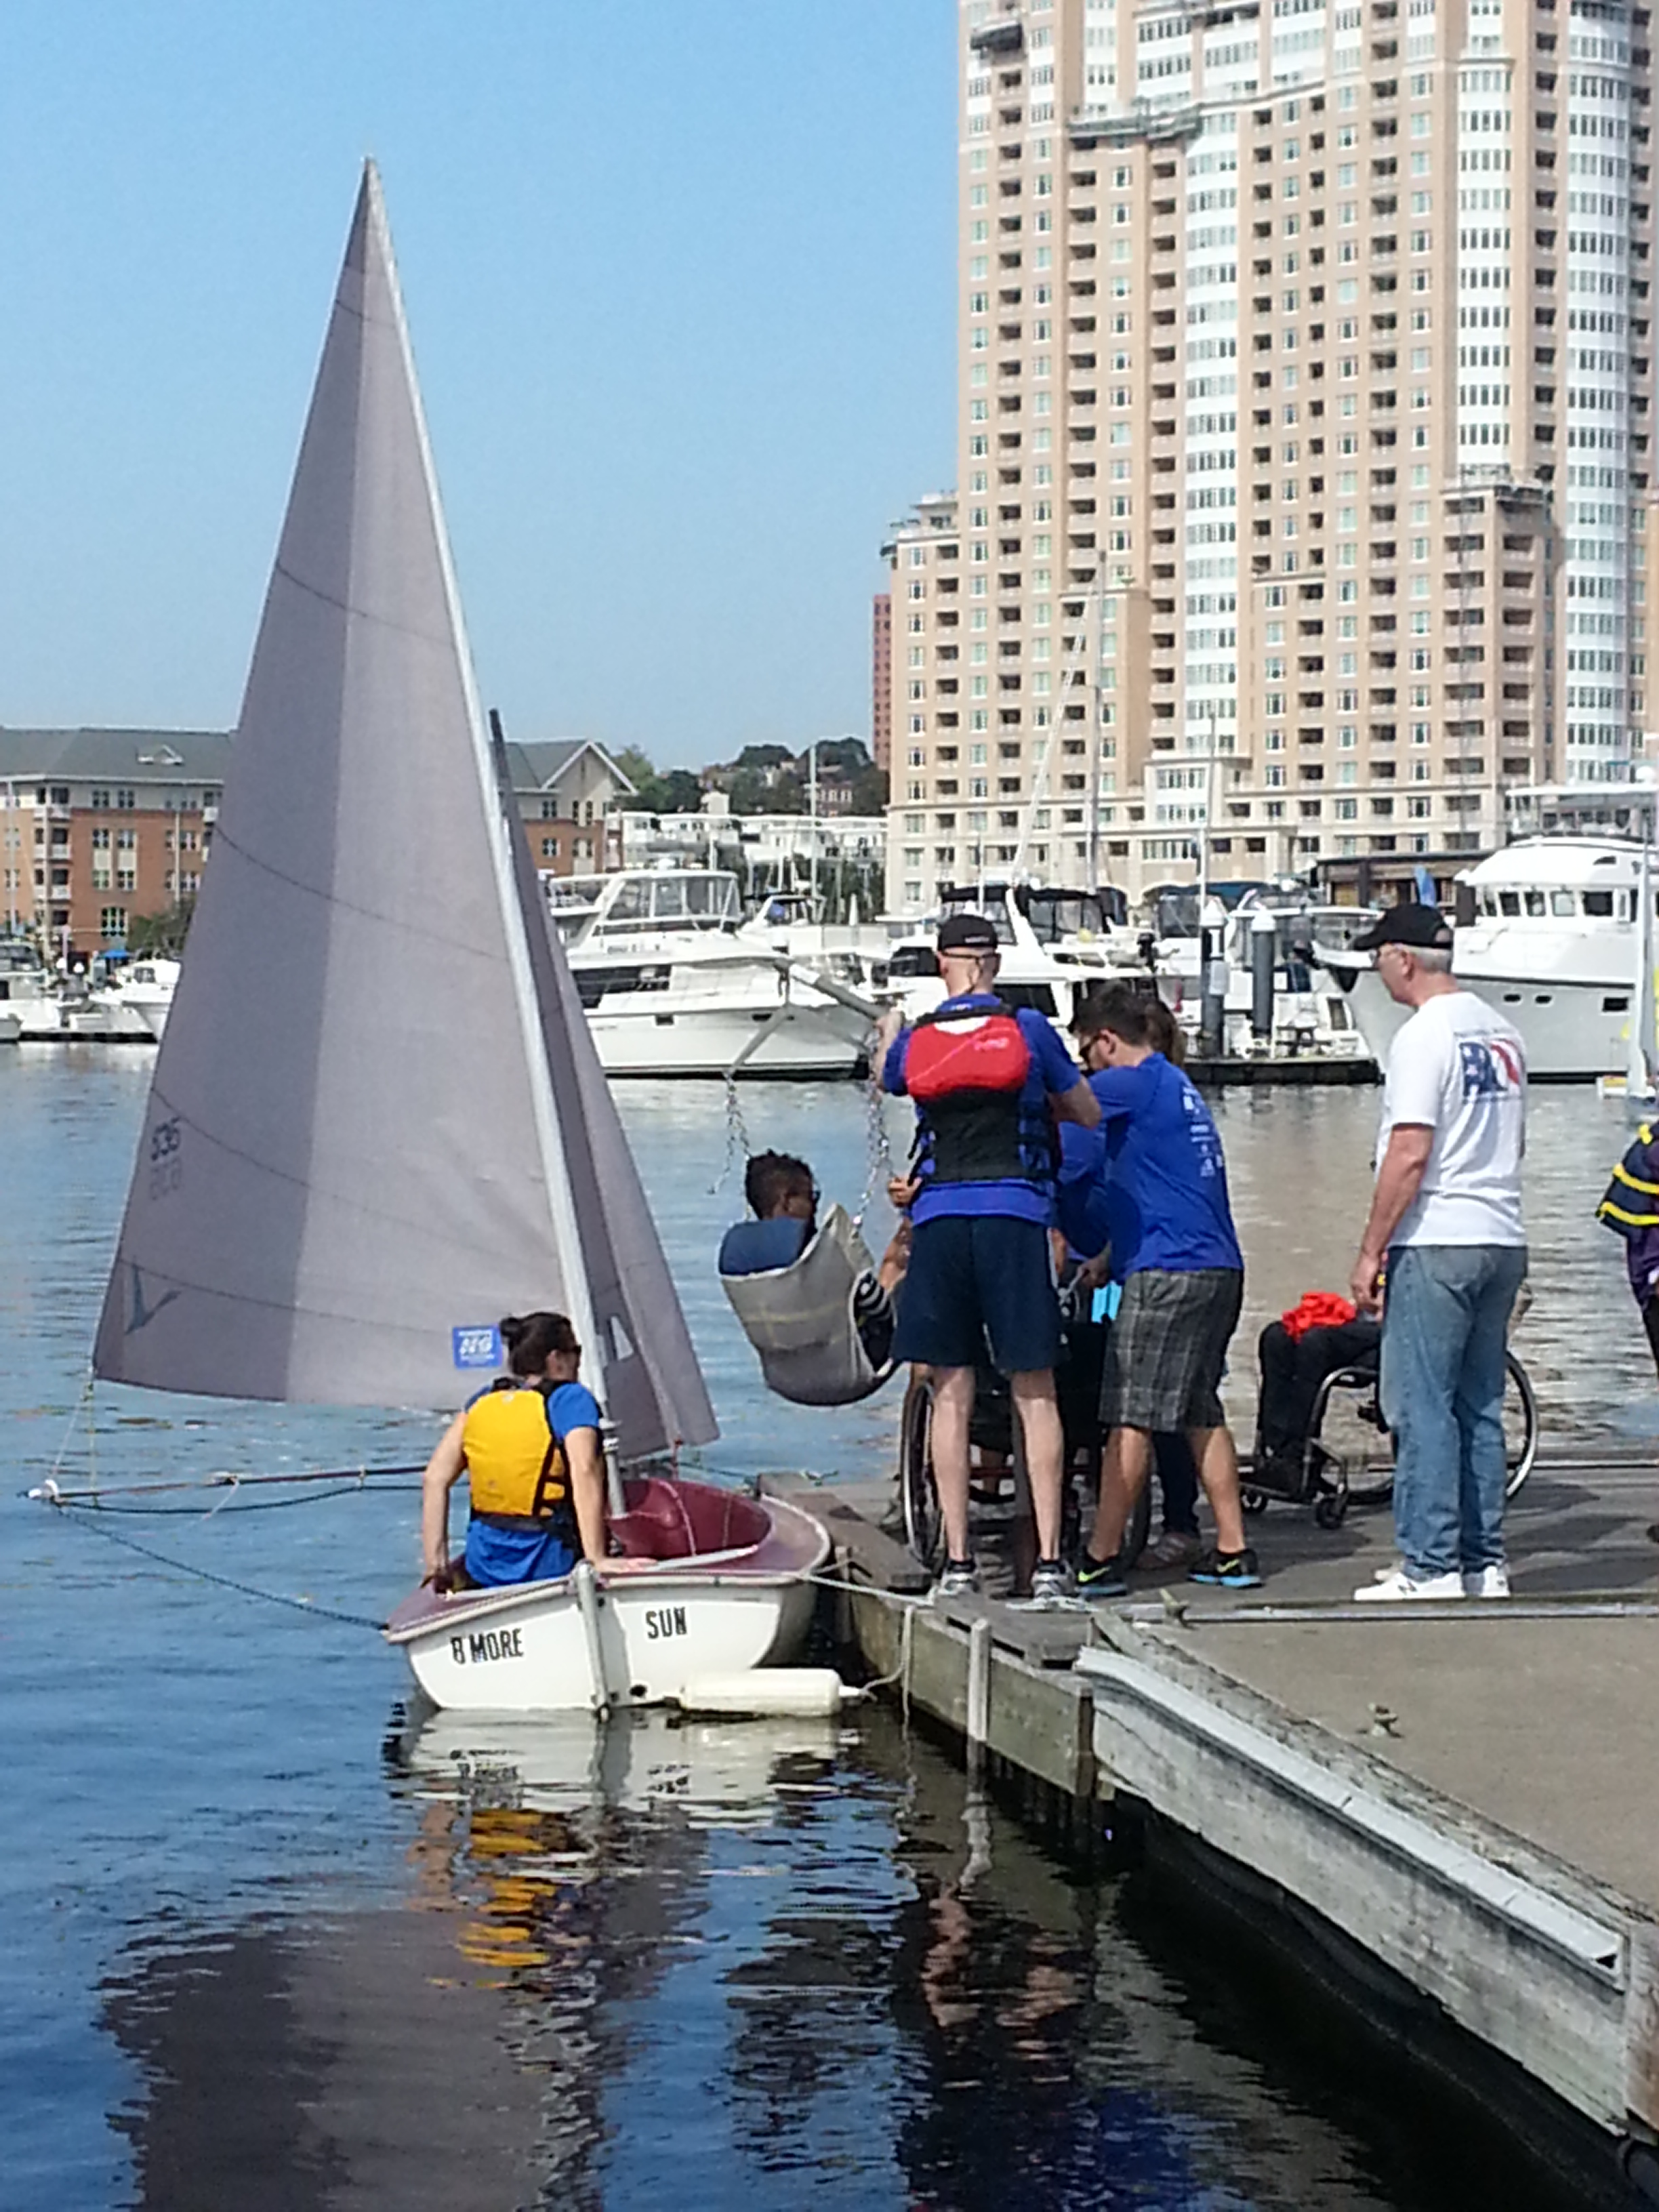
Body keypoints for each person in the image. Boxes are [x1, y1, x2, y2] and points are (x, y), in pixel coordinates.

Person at [876, 912, 1100, 1605]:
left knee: (950, 1390)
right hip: (1015, 1216)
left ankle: (958, 1564)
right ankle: (1052, 1564)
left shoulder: (917, 1039)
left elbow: (888, 1079)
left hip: (941, 1221)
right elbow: (1088, 1111)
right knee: (1035, 1388)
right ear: (994, 964)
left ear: (941, 962)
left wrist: (888, 1030)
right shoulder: (1028, 1031)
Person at [1346, 903, 1527, 1601]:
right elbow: (1515, 1142)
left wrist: (1371, 1250)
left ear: (1403, 959)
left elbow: (1410, 1151)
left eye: (1377, 958)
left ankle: (1429, 1565)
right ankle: (1483, 1563)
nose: (1377, 971)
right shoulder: (1503, 1032)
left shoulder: (1423, 1036)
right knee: (1479, 1404)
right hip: (1501, 1231)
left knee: (1419, 1404)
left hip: (1438, 1234)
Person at [1067, 984, 1257, 1594]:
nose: (1087, 1067)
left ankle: (1099, 1557)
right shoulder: (1177, 1084)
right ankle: (1233, 1549)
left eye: (1086, 1053)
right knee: (1200, 1410)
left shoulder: (1129, 1082)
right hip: (1217, 1267)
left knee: (1130, 1417)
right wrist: (1108, 1255)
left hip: (1167, 1273)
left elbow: (1058, 1105)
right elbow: (1167, 1186)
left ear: (1106, 1041)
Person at [1056, 994, 1202, 1567]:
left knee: (1109, 1366)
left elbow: (1064, 1175)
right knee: (1169, 1394)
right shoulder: (1158, 1093)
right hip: (1105, 1265)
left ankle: (1132, 1512)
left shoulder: (1096, 1115)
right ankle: (1164, 1510)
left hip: (1110, 1277)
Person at [421, 1309, 607, 1591]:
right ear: (555, 1359)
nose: (579, 1362)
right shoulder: (571, 1399)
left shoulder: (482, 1401)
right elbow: (585, 1470)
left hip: (484, 1567)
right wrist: (597, 1559)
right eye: (576, 1352)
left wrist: (436, 1567)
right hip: (548, 1564)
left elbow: (435, 1478)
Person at [718, 1148, 909, 1372]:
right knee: (910, 1278)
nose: (815, 1206)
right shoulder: (818, 1251)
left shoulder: (740, 1256)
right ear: (787, 1202)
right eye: (811, 1197)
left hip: (786, 1375)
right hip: (851, 1366)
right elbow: (878, 1307)